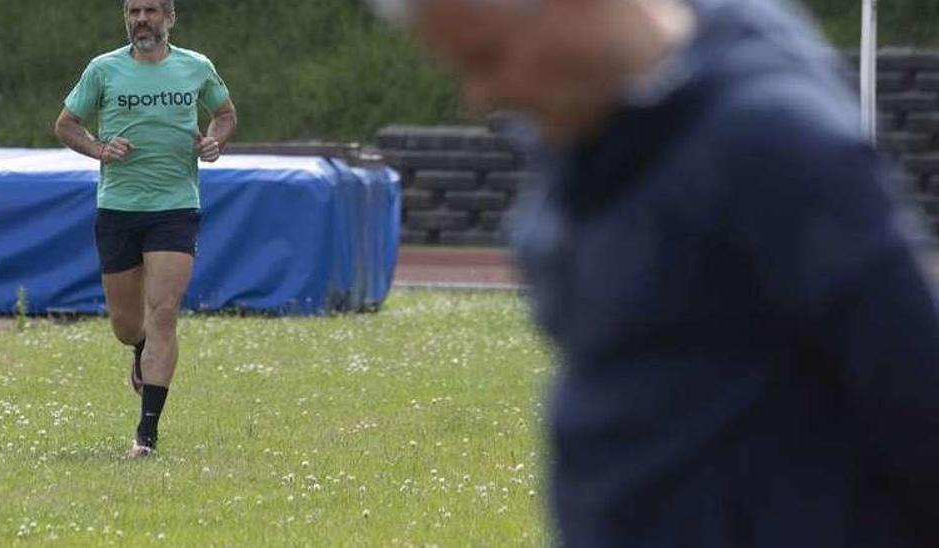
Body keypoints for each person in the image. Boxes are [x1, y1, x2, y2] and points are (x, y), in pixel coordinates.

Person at [370, 0, 939, 545]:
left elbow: (917, 392)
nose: (480, 95)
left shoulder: (773, 142)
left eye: (486, 56)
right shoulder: (596, 125)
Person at [54, 0, 237, 458]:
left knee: (164, 314)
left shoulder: (196, 67)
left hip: (175, 206)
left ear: (170, 19)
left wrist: (214, 141)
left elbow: (226, 113)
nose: (142, 20)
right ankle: (138, 348)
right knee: (127, 324)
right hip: (118, 208)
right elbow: (66, 125)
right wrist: (99, 148)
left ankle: (147, 435)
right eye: (133, 12)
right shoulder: (103, 69)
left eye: (151, 11)